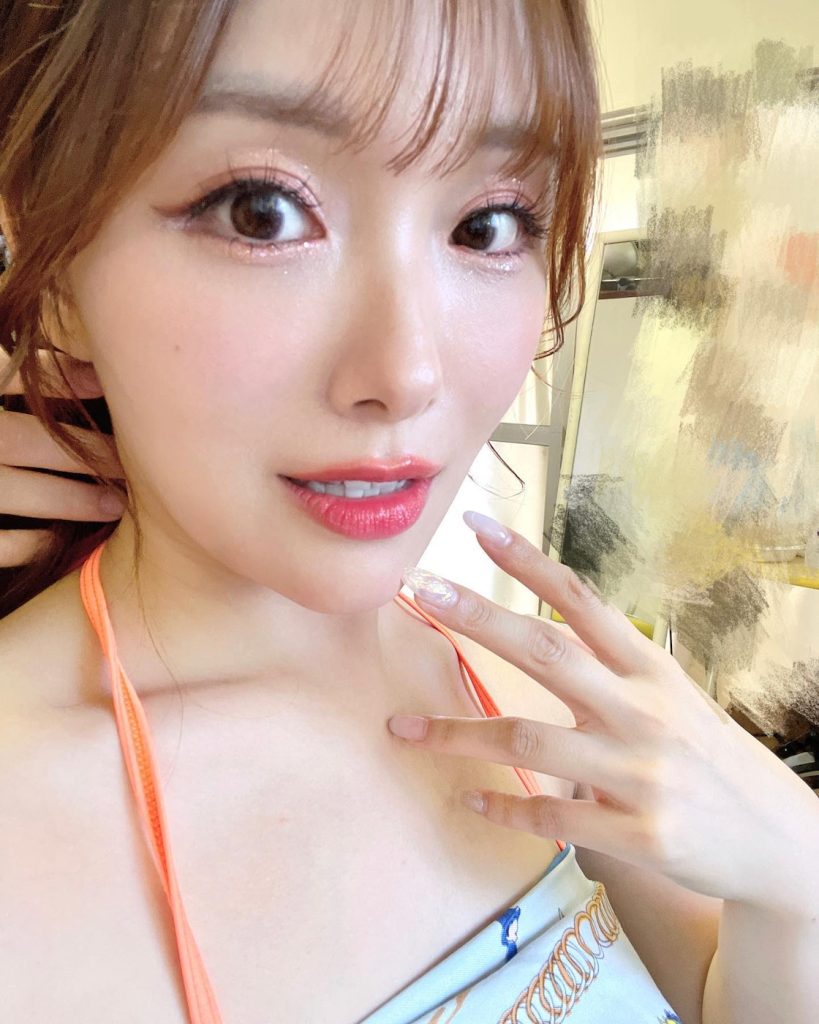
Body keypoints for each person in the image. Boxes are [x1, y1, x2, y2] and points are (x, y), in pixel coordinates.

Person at [1, 3, 817, 1023]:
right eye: (260, 211)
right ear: (54, 266)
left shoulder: (525, 694)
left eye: (487, 224)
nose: (408, 373)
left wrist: (793, 880)